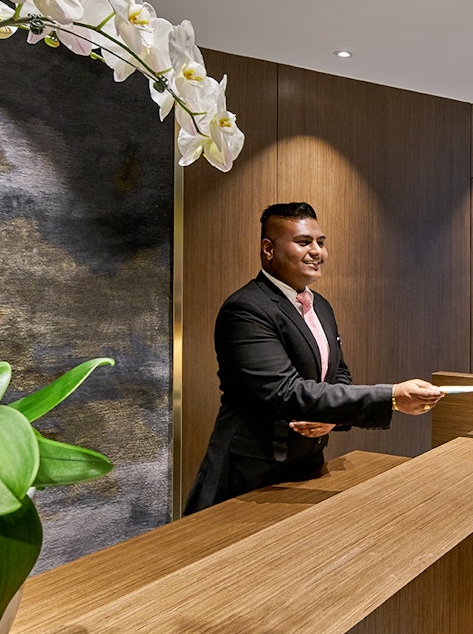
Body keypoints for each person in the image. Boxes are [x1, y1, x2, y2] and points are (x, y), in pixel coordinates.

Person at [184, 202, 442, 514]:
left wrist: (332, 417)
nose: (317, 252)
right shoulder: (246, 310)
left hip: (306, 469)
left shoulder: (319, 305)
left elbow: (338, 375)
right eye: (304, 242)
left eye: (321, 242)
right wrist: (391, 396)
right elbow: (284, 392)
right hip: (249, 478)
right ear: (268, 250)